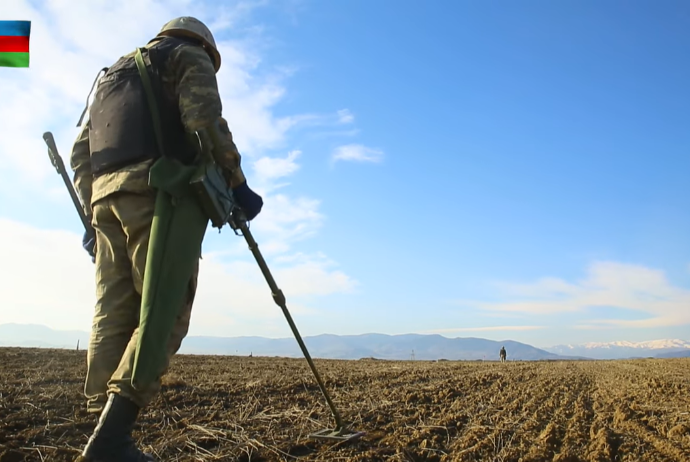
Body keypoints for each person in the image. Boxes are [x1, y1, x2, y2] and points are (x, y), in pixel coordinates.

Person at [70, 17, 263, 462]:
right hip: (161, 195)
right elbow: (204, 121)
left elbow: (82, 152)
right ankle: (111, 440)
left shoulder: (110, 77)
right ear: (205, 48)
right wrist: (236, 183)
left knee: (113, 313)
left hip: (105, 201)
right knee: (164, 309)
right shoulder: (186, 54)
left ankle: (101, 423)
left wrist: (91, 214)